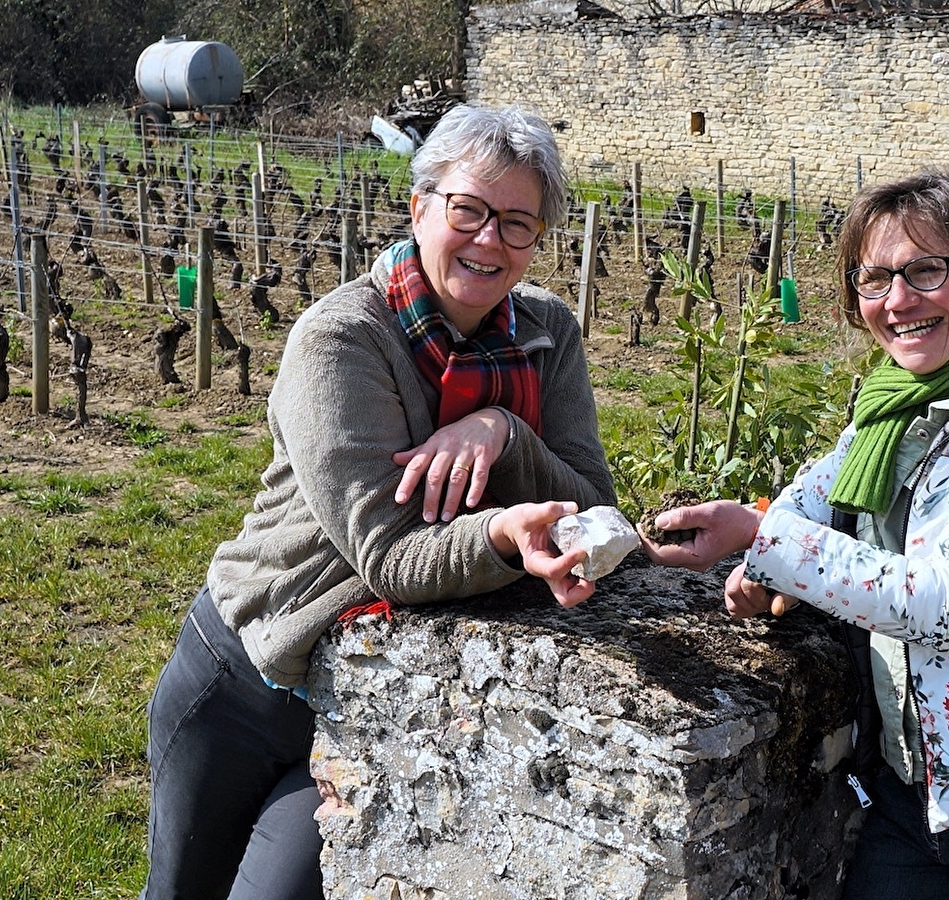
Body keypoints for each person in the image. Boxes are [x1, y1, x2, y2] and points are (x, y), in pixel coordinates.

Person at [140, 104, 616, 900]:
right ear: (420, 206)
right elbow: (390, 555)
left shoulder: (548, 333)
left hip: (371, 698)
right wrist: (502, 530)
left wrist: (500, 431)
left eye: (518, 223)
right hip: (251, 677)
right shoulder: (342, 338)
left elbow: (594, 506)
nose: (489, 240)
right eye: (468, 210)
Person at [644, 170, 949, 899]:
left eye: (926, 270)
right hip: (913, 794)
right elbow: (806, 504)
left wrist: (767, 540)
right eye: (873, 277)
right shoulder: (888, 415)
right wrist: (754, 557)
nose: (898, 301)